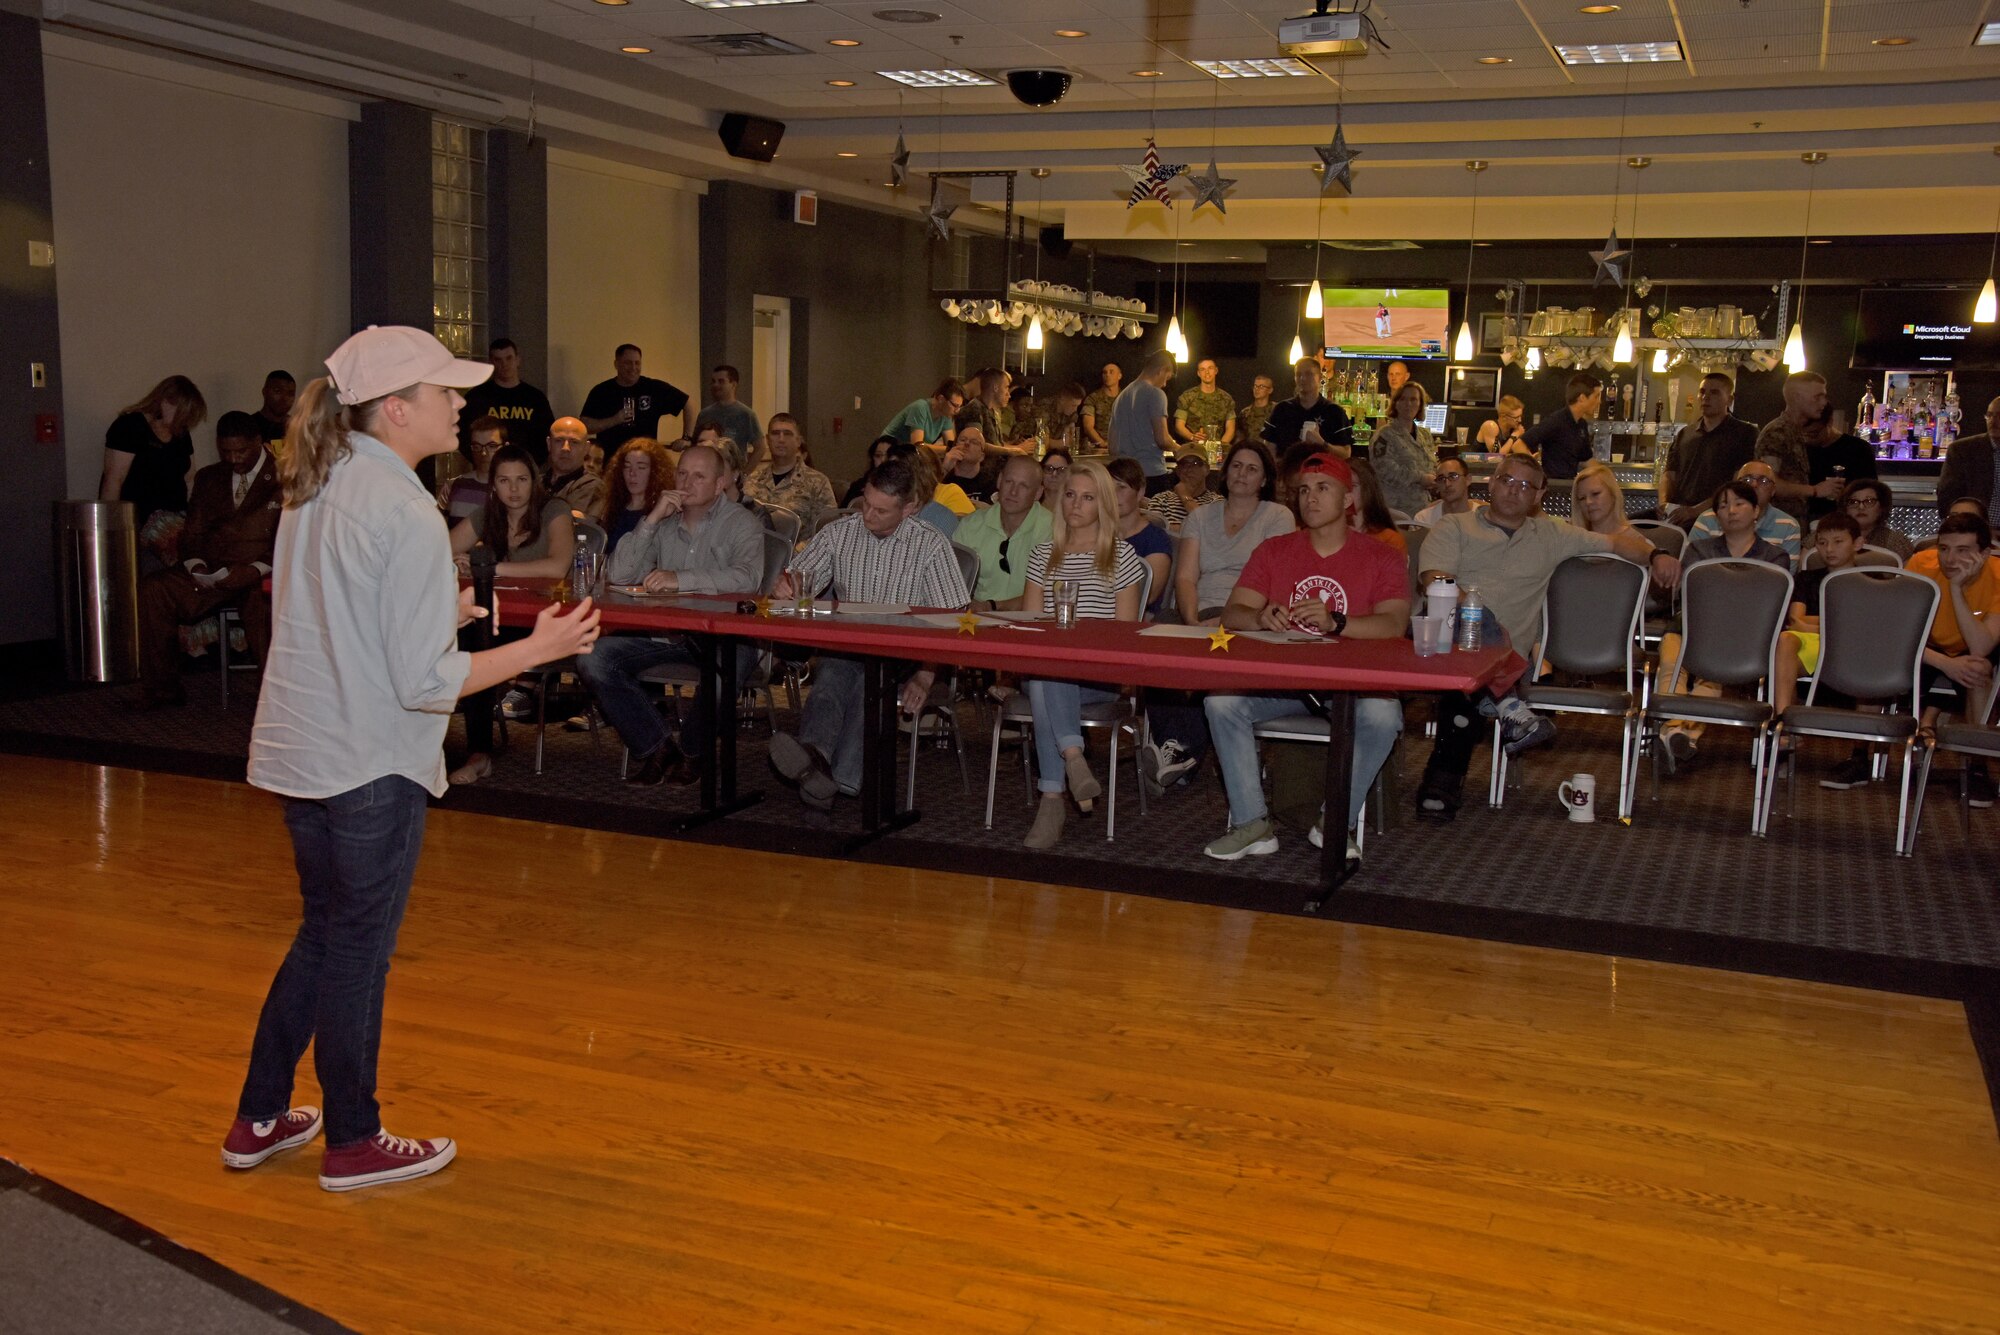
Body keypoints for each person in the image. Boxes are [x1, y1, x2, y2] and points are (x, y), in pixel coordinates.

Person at [227, 325, 599, 1192]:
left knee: (323, 934)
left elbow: (343, 618)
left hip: (305, 750)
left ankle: (259, 1114)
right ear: (396, 409)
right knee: (358, 948)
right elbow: (427, 682)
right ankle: (354, 1137)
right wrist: (537, 648)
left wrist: (447, 611)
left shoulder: (318, 481)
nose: (461, 404)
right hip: (367, 762)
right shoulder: (404, 508)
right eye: (444, 391)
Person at [1413, 453, 1681, 819]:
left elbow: (1618, 544)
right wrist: (1477, 615)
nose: (1513, 491)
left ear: (1539, 496)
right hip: (1448, 640)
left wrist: (1656, 554)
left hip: (1505, 659)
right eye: (1507, 480)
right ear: (1490, 483)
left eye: (1525, 486)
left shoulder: (1552, 534)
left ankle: (1444, 780)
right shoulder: (1455, 527)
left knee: (1468, 688)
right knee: (1470, 629)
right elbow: (1435, 580)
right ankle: (1505, 702)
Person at [1201, 453, 1411, 861]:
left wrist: (1338, 622)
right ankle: (1251, 823)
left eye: (1322, 488)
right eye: (1303, 490)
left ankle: (1335, 820)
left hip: (1351, 685)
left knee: (1385, 717)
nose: (1309, 499)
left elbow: (1394, 623)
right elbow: (1233, 613)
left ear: (1349, 498)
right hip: (1286, 683)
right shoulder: (1275, 550)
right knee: (1221, 701)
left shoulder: (1381, 554)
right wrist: (1261, 616)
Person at [766, 457, 970, 811]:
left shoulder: (930, 545)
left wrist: (925, 676)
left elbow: (953, 622)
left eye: (881, 511)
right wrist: (783, 587)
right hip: (849, 645)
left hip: (903, 653)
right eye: (866, 504)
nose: (868, 517)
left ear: (910, 508)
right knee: (831, 674)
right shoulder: (839, 533)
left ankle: (825, 774)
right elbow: (793, 581)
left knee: (869, 684)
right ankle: (818, 761)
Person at [579, 441, 766, 787]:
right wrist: (650, 519)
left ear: (720, 483)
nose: (687, 482)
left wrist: (680, 580)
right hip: (673, 635)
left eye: (699, 476)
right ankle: (658, 747)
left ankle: (694, 754)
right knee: (594, 658)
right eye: (682, 473)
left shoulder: (742, 523)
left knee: (721, 676)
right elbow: (619, 575)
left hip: (729, 637)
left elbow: (747, 579)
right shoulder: (664, 522)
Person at [1142, 441, 1295, 791]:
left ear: (1264, 479)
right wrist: (1193, 619)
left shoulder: (1277, 516)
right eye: (1237, 466)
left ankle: (1178, 749)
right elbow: (1185, 576)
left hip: (1247, 614)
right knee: (1153, 643)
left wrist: (1227, 619)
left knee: (1209, 659)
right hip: (1198, 609)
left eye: (1252, 468)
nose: (1242, 474)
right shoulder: (1201, 516)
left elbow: (1275, 580)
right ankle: (1181, 747)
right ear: (1225, 472)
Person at [1016, 461, 1150, 849]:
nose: (1076, 504)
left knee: (1046, 683)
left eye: (1088, 497)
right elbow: (1031, 626)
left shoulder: (1121, 557)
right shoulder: (1043, 555)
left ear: (1103, 505)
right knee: (1046, 673)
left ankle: (1052, 797)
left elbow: (1123, 638)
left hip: (1097, 677)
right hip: (1046, 667)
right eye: (1070, 495)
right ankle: (1074, 758)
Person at [1656, 480, 1803, 772]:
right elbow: (1690, 598)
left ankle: (1671, 732)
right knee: (1671, 659)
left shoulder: (1774, 557)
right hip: (1694, 627)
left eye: (1739, 504)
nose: (1731, 511)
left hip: (1744, 636)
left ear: (1756, 511)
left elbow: (1769, 608)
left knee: (1711, 675)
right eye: (1723, 506)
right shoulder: (1699, 550)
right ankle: (1677, 732)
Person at [135, 412, 281, 707]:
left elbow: (290, 539)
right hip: (212, 571)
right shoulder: (209, 478)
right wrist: (197, 566)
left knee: (264, 603)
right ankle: (163, 690)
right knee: (154, 590)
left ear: (259, 443)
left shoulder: (287, 477)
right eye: (226, 452)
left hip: (261, 572)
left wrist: (253, 570)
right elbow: (192, 535)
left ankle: (274, 699)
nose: (234, 459)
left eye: (241, 451)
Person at [1907, 513, 1999, 803]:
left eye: (1962, 550)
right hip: (1925, 649)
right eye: (1944, 548)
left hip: (1969, 651)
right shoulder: (1921, 564)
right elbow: (1900, 637)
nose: (1949, 558)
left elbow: (1981, 645)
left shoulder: (1998, 574)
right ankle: (1860, 757)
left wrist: (1957, 589)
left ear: (1984, 553)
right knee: (1877, 653)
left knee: (1978, 667)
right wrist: (1945, 663)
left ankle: (1977, 767)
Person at [1770, 511, 1863, 723]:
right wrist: (1835, 625)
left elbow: (1858, 627)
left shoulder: (1869, 581)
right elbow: (1795, 620)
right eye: (1822, 542)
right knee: (1785, 639)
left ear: (1857, 543)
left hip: (1852, 647)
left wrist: (1812, 622)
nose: (1829, 549)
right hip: (1812, 643)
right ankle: (1784, 719)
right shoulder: (1807, 578)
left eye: (1838, 542)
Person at [99, 374, 207, 529]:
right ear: (164, 402)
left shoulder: (181, 433)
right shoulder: (130, 426)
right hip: (139, 522)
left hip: (175, 519)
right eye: (181, 413)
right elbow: (114, 479)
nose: (184, 420)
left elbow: (190, 479)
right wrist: (110, 527)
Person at [954, 454, 1052, 610]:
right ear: (999, 481)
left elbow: (1051, 595)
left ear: (1038, 493)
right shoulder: (970, 526)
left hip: (1032, 625)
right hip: (977, 624)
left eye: (1023, 486)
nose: (1013, 492)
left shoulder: (1053, 530)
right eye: (1009, 482)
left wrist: (992, 606)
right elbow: (952, 587)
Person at [1660, 372, 1757, 526]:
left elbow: (1738, 483)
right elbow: (1669, 474)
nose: (1706, 397)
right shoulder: (1685, 434)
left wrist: (1695, 511)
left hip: (1717, 514)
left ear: (1729, 399)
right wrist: (1664, 504)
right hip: (1678, 511)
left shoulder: (1744, 434)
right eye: (1702, 392)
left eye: (1715, 392)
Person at [1756, 371, 1838, 526]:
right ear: (1796, 397)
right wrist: (1815, 490)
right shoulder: (1777, 431)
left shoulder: (1795, 431)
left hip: (1791, 524)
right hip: (1775, 527)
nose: (1823, 403)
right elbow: (1766, 482)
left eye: (1824, 396)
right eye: (1817, 397)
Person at [458, 337, 555, 465]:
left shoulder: (535, 398)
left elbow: (548, 436)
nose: (504, 364)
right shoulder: (476, 397)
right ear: (491, 363)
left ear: (517, 360)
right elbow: (462, 436)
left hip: (526, 469)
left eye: (509, 358)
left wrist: (532, 465)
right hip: (487, 470)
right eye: (498, 360)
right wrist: (481, 462)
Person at [1688, 461, 1802, 567]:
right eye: (1747, 480)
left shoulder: (1788, 527)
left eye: (1763, 481)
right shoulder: (1707, 519)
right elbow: (1691, 573)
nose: (1754, 485)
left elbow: (1785, 581)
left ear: (1773, 490)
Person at [580, 344, 690, 451]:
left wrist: (686, 438)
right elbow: (584, 426)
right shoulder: (602, 391)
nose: (633, 368)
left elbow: (687, 403)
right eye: (628, 363)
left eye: (637, 363)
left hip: (645, 462)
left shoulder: (653, 388)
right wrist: (614, 420)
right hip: (611, 462)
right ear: (616, 364)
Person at [743, 413, 837, 532]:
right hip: (755, 547)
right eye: (775, 433)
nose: (781, 439)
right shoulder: (753, 480)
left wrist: (799, 549)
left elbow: (828, 531)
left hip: (801, 549)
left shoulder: (817, 483)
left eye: (787, 434)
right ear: (767, 440)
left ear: (798, 441)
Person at [1105, 456, 1173, 614]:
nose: (1113, 494)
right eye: (1108, 487)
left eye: (1121, 487)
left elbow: (1147, 595)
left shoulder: (1155, 540)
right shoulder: (1095, 534)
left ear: (1140, 492)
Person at [1108, 350, 1177, 494]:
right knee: (1153, 516)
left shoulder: (1120, 398)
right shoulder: (1156, 394)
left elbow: (1112, 447)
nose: (1164, 384)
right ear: (1162, 370)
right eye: (1167, 378)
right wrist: (1181, 449)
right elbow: (1162, 440)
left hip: (1123, 475)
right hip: (1151, 474)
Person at [592, 436, 677, 553]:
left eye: (641, 467)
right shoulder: (612, 507)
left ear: (655, 472)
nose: (632, 473)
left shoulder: (662, 511)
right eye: (627, 467)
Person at [1368, 379, 1438, 517]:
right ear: (1396, 403)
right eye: (1403, 399)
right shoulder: (1385, 435)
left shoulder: (1425, 435)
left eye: (1413, 399)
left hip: (1422, 509)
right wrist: (1420, 478)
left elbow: (1432, 463)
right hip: (1395, 511)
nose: (1408, 404)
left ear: (1420, 404)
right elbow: (1383, 469)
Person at [1261, 357, 1354, 456]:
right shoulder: (1282, 409)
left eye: (1309, 374)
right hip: (1288, 470)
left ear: (1320, 378)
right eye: (1298, 374)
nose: (1303, 378)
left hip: (1320, 470)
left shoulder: (1334, 411)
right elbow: (1269, 448)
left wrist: (1322, 443)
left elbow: (1346, 454)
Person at [1804, 404, 1878, 523]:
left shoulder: (1858, 449)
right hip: (1807, 519)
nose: (1807, 439)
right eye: (1804, 434)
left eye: (1814, 433)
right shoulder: (1801, 448)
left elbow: (1871, 490)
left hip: (1848, 520)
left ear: (1830, 422)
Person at [1518, 373, 1600, 480]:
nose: (1599, 401)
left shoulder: (1581, 424)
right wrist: (1537, 472)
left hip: (1568, 486)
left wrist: (1606, 476)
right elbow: (1519, 445)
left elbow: (1586, 460)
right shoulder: (1556, 421)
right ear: (1582, 398)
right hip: (1553, 487)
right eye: (1596, 396)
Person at [1937, 395, 2000, 528]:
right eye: (1989, 415)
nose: (1993, 421)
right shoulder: (1963, 450)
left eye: (1999, 416)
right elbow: (1947, 496)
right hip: (1973, 530)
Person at [693, 364, 763, 474]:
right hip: (707, 473)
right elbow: (695, 445)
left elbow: (760, 448)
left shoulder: (746, 414)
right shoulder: (704, 414)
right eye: (713, 381)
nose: (716, 385)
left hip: (733, 474)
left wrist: (744, 474)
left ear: (733, 385)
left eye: (721, 381)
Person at [439, 416, 506, 522]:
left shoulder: (512, 490)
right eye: (477, 446)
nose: (483, 453)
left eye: (491, 446)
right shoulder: (453, 486)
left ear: (505, 447)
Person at [1839, 477, 1914, 561]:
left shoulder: (1895, 541)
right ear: (1845, 508)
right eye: (1853, 502)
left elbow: (1907, 572)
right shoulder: (1834, 539)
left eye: (1869, 501)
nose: (1861, 507)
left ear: (1881, 508)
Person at [1174, 358, 1237, 455]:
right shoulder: (1187, 397)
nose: (1207, 372)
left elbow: (1230, 429)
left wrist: (1219, 447)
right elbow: (1179, 426)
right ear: (1198, 373)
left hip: (1217, 452)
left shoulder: (1226, 399)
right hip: (1193, 451)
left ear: (1216, 370)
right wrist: (1192, 437)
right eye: (1202, 369)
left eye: (1210, 368)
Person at [1346, 459, 1408, 557]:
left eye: (1353, 486)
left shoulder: (1389, 540)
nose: (1345, 492)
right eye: (1339, 485)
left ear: (1368, 490)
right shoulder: (1323, 536)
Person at [542, 416, 602, 516]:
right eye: (559, 440)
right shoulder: (536, 482)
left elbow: (569, 524)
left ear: (586, 448)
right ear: (549, 444)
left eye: (574, 442)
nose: (565, 448)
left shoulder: (591, 486)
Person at [880, 378, 963, 448]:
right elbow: (917, 445)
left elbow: (950, 445)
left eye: (959, 406)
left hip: (905, 454)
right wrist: (946, 450)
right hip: (888, 450)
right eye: (955, 405)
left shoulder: (945, 414)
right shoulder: (920, 407)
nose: (957, 410)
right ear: (941, 399)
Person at [1147, 451, 1219, 527]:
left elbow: (1212, 530)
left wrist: (1184, 496)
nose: (1189, 469)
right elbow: (1153, 531)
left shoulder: (1217, 502)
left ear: (1207, 469)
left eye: (1196, 464)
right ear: (1177, 470)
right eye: (1184, 464)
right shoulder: (1161, 500)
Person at [1570, 461, 1635, 539]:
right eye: (1582, 498)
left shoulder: (1638, 543)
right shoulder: (1572, 540)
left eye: (1595, 494)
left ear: (1613, 494)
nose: (1588, 502)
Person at [955, 367, 1015, 450]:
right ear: (995, 388)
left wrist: (1018, 448)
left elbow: (997, 444)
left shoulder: (994, 411)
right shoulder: (974, 409)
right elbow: (976, 444)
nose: (1008, 394)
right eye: (1006, 387)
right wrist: (1012, 451)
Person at [1412, 456, 1479, 528]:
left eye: (1453, 476)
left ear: (1468, 479)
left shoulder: (1483, 518)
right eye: (1441, 479)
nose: (1447, 484)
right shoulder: (1424, 519)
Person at [937, 426, 998, 504]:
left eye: (974, 442)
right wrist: (945, 468)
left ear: (981, 456)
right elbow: (927, 498)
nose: (967, 443)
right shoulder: (943, 476)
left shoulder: (990, 482)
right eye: (962, 440)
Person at [844, 435, 898, 507]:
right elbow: (842, 511)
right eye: (878, 455)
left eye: (888, 456)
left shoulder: (903, 487)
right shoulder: (858, 486)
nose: (882, 460)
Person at [1082, 362, 1122, 449]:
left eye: (1111, 372)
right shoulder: (1093, 398)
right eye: (1105, 372)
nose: (1107, 375)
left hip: (1122, 446)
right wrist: (1102, 444)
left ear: (1119, 376)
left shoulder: (1126, 398)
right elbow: (1088, 427)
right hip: (1099, 447)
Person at [253, 371, 296, 448]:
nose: (284, 398)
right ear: (264, 392)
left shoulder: (298, 428)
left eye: (290, 394)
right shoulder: (249, 426)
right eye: (278, 391)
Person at [1238, 374, 1277, 446]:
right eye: (1255, 386)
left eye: (1261, 386)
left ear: (1270, 390)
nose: (1257, 389)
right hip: (1250, 451)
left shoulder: (1277, 410)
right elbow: (1240, 437)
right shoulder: (1245, 413)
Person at [1038, 446, 1072, 515]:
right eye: (1049, 469)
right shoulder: (1030, 505)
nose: (1054, 474)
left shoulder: (1074, 507)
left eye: (1061, 470)